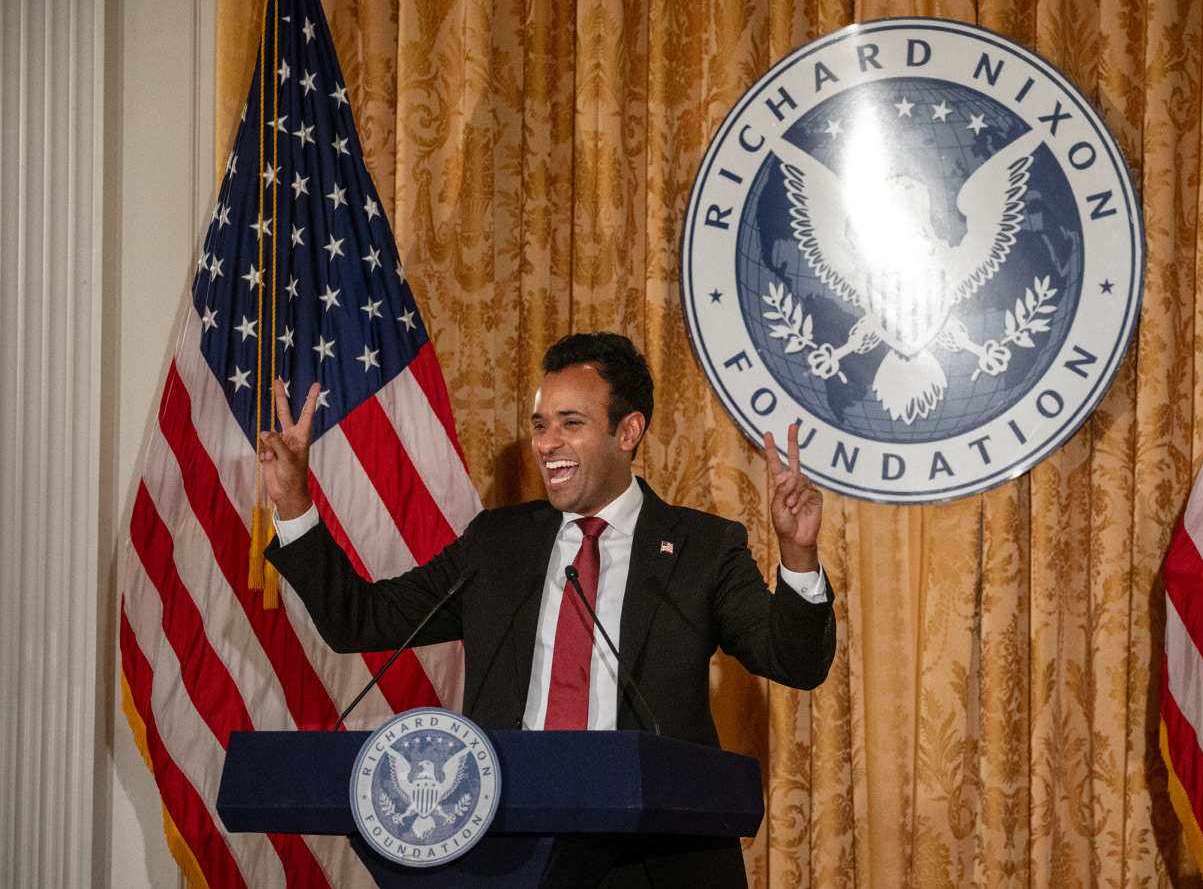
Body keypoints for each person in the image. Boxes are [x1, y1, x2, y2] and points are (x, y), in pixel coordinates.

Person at [259, 331, 836, 886]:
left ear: (629, 430)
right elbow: (359, 619)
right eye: (540, 425)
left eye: (571, 423)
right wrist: (294, 503)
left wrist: (798, 551)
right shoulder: (498, 542)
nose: (546, 442)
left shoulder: (700, 547)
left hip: (654, 857)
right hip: (511, 854)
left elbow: (793, 660)